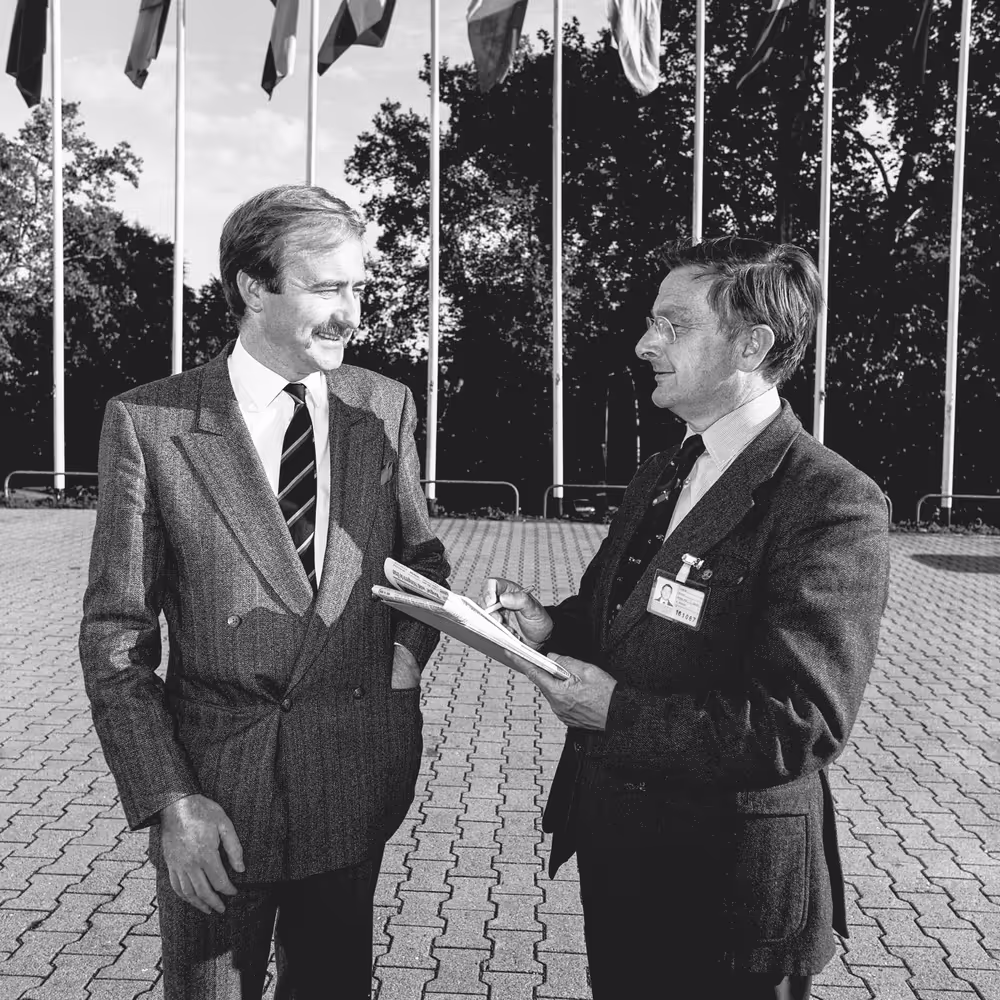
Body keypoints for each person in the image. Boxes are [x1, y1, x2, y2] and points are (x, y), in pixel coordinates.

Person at [486, 237, 890, 999]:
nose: (645, 345)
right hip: (621, 854)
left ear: (751, 345)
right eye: (651, 323)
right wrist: (552, 628)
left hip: (730, 890)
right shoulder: (665, 468)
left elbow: (798, 723)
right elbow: (620, 616)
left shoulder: (829, 499)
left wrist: (616, 712)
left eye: (672, 326)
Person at [79, 184, 449, 1000]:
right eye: (327, 288)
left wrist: (403, 662)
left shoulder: (382, 405)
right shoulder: (150, 423)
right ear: (254, 287)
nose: (351, 312)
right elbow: (115, 637)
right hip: (218, 797)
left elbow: (422, 557)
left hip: (354, 777)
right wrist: (171, 800)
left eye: (358, 286)